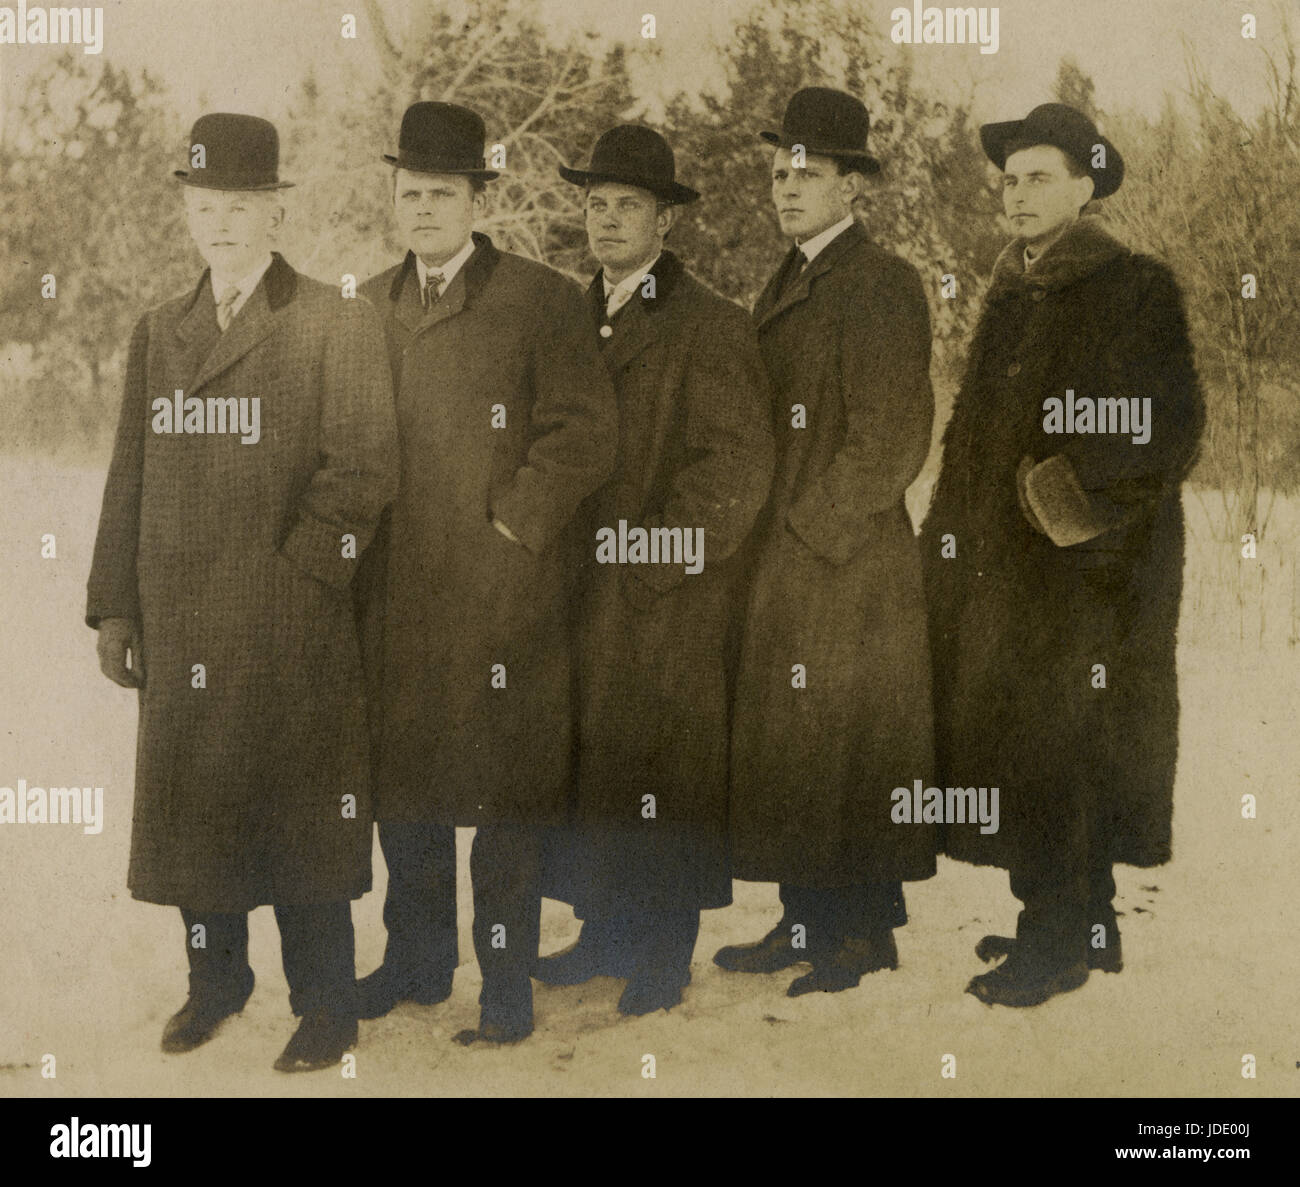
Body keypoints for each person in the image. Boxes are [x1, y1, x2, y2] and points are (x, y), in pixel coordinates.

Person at [87, 112, 398, 1072]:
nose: (220, 223)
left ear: (271, 213)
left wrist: (298, 576)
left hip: (288, 627)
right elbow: (129, 473)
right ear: (189, 212)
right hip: (183, 625)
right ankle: (217, 981)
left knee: (302, 816)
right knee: (195, 816)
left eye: (240, 205)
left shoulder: (330, 318)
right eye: (205, 205)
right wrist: (117, 606)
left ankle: (328, 1003)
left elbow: (366, 465)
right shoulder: (159, 332)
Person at [920, 103, 1205, 1006]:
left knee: (1062, 745)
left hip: (1092, 572)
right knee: (1026, 743)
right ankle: (1085, 919)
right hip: (1006, 572)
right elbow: (975, 434)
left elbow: (1166, 425)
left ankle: (1061, 937)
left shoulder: (1133, 285)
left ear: (1086, 187)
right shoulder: (1013, 289)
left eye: (1039, 176)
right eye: (1009, 179)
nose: (1017, 193)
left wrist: (1063, 506)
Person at [355, 101, 618, 1043]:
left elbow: (585, 432)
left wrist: (515, 525)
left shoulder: (541, 299)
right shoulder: (372, 305)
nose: (422, 209)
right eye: (408, 192)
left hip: (505, 601)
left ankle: (505, 982)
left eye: (441, 192)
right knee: (408, 796)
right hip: (400, 598)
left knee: (502, 803)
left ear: (476, 199)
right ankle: (416, 961)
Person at [536, 125, 774, 1014]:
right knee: (594, 764)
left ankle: (664, 953)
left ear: (665, 220)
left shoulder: (710, 323)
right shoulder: (568, 311)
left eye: (626, 205)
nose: (605, 220)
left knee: (660, 771)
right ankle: (601, 932)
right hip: (578, 589)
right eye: (594, 204)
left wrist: (648, 561)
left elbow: (733, 468)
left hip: (664, 597)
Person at [716, 88, 938, 996]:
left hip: (846, 557)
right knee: (801, 742)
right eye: (779, 173)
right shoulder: (791, 274)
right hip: (794, 549)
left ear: (854, 184)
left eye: (808, 174)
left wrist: (812, 529)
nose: (788, 188)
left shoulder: (878, 280)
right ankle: (810, 916)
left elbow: (893, 435)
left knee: (846, 744)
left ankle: (856, 936)